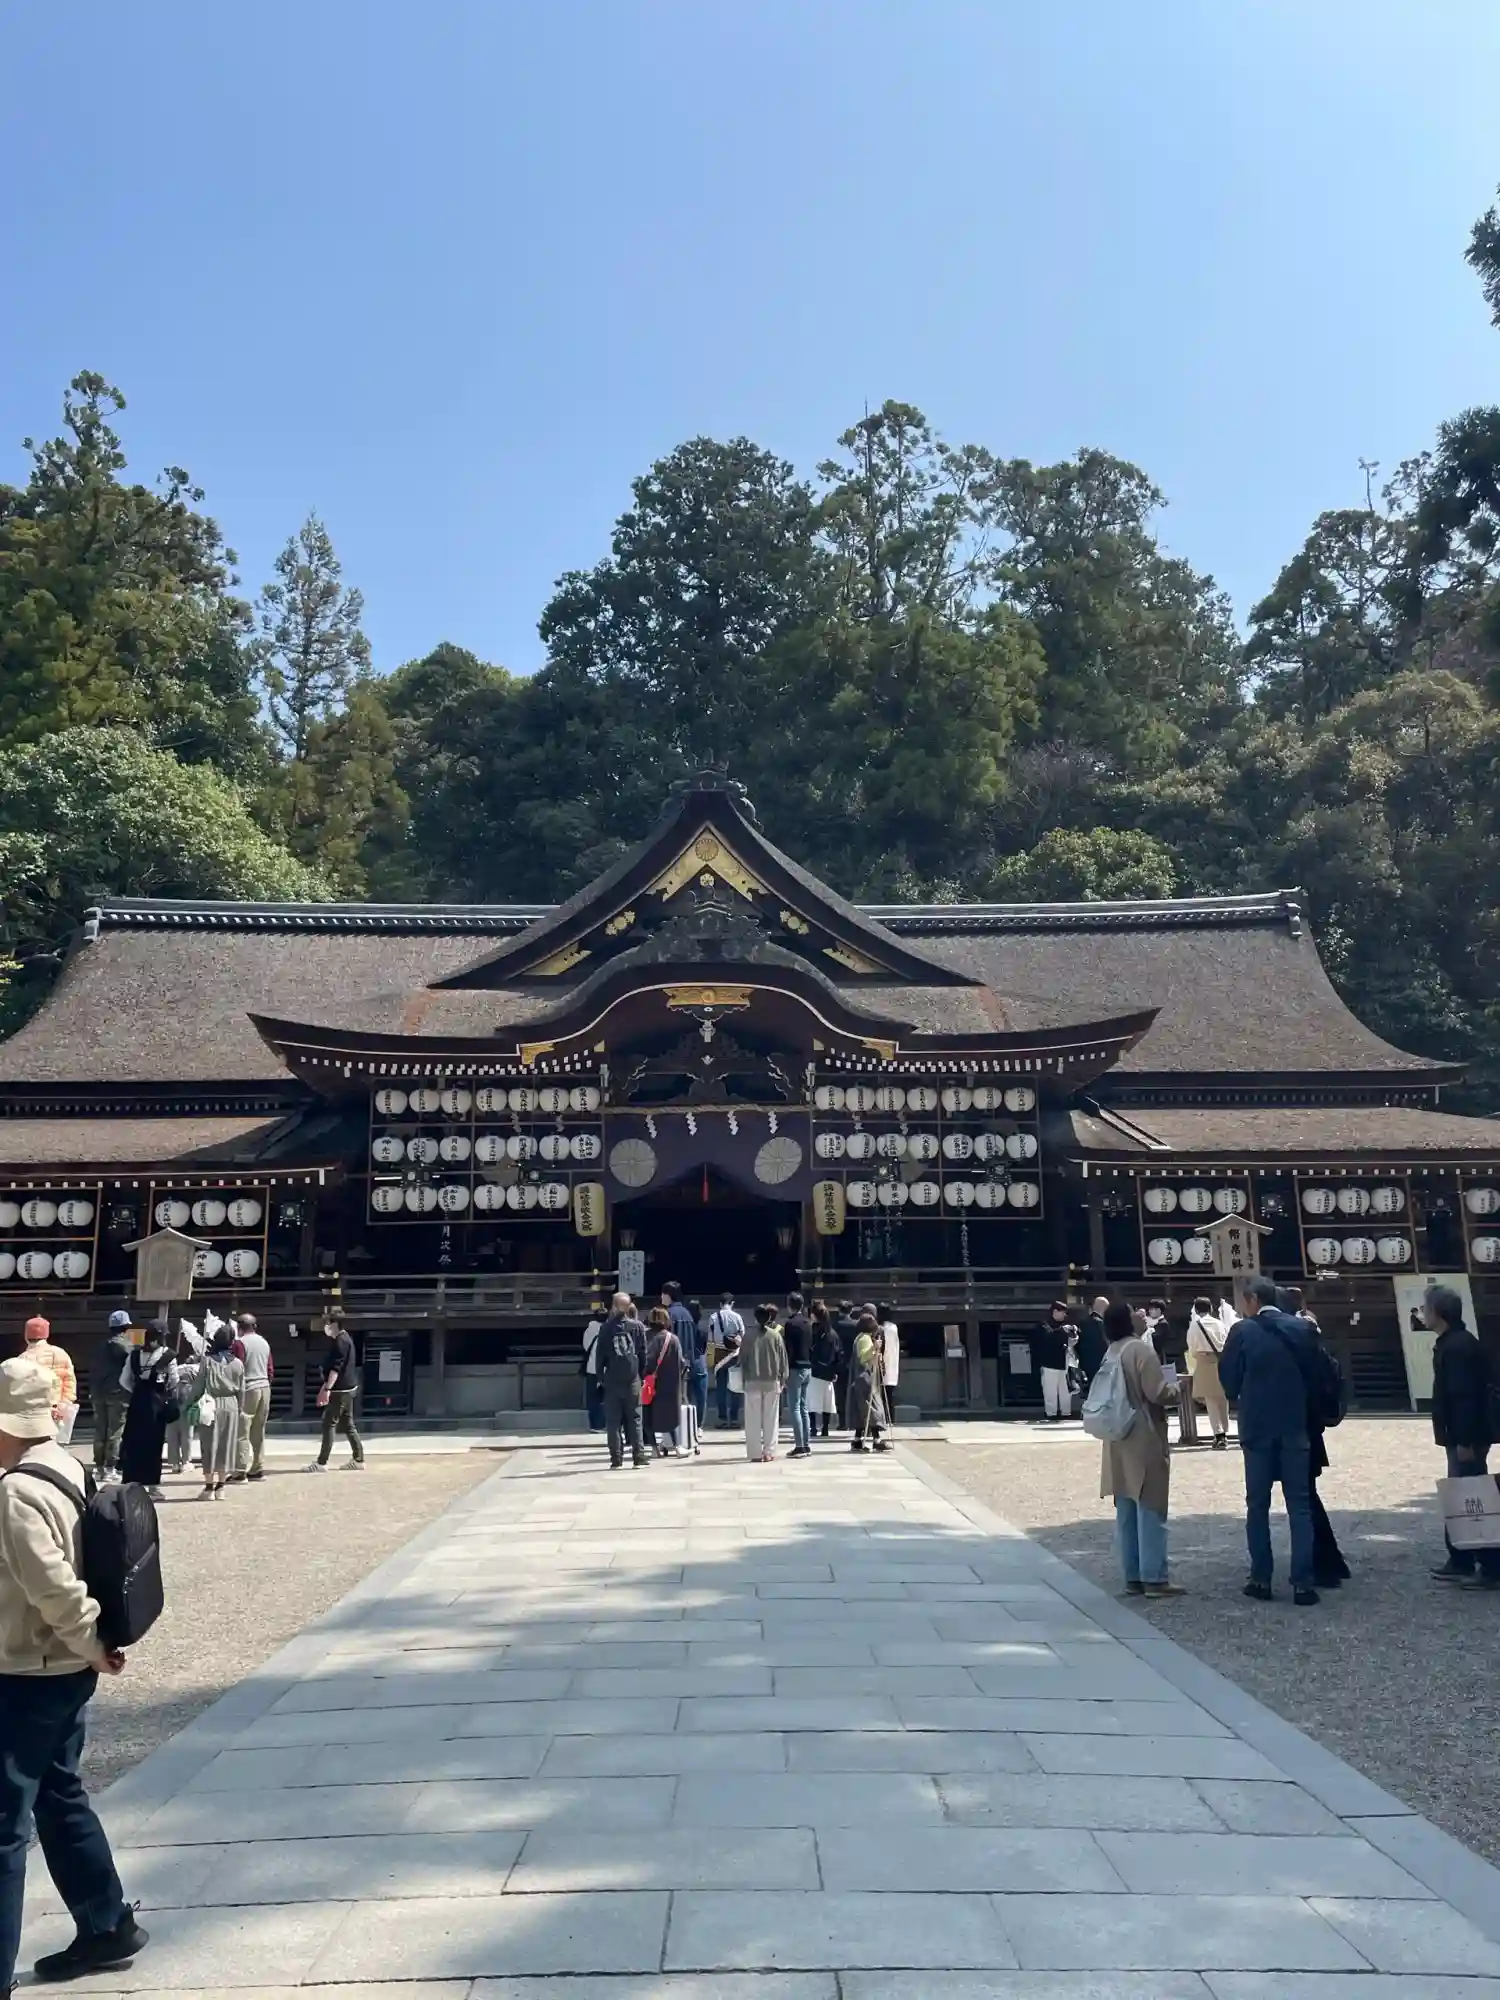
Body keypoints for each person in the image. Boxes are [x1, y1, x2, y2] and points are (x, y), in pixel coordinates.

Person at [0, 1357, 148, 1992]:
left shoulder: (15, 1492)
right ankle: (105, 1923)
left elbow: (54, 1587)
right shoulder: (66, 1465)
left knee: (5, 1825)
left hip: (28, 1668)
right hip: (66, 1668)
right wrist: (94, 1647)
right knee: (59, 1795)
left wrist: (92, 1644)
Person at [1219, 1274, 1320, 1606]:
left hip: (1258, 1425)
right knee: (1299, 1505)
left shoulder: (1242, 1332)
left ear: (1253, 1300)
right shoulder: (1302, 1329)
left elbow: (1229, 1380)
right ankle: (1303, 1582)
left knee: (1258, 1504)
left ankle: (1261, 1578)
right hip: (1295, 1424)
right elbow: (1316, 1375)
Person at [1097, 1300, 1184, 1598]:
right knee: (1150, 1505)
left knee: (1126, 1508)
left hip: (1117, 1435)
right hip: (1143, 1434)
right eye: (1134, 1311)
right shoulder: (1139, 1350)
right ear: (1128, 1320)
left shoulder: (1112, 1351)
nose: (1140, 1314)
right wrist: (1177, 1388)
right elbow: (1158, 1393)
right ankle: (1154, 1577)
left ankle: (1132, 1575)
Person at [1423, 1281, 1500, 1589]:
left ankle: (1489, 1565)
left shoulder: (1457, 1348)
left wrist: (1464, 1440)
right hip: (1464, 1433)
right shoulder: (1457, 1342)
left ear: (1438, 1313)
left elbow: (1463, 1397)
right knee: (1463, 1494)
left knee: (1473, 1498)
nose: (1423, 1314)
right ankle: (1461, 1557)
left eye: (1426, 1309)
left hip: (1466, 1436)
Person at [1281, 1286, 1350, 1590]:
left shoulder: (1297, 1339)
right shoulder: (1310, 1334)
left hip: (1301, 1425)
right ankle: (1331, 1559)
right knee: (1307, 1494)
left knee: (1304, 1497)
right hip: (1312, 1425)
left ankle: (1325, 1564)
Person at [180, 1325, 244, 1501]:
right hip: (231, 1404)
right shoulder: (238, 1363)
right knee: (226, 1445)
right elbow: (242, 1390)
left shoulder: (207, 1362)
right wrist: (240, 1408)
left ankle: (209, 1487)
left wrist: (187, 1405)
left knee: (209, 1445)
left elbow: (198, 1387)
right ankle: (221, 1487)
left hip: (211, 1403)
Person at [117, 1322, 178, 1501]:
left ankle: (131, 1483)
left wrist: (137, 1390)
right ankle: (152, 1487)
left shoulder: (134, 1354)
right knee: (154, 1444)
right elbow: (174, 1380)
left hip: (137, 1402)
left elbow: (124, 1380)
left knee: (133, 1442)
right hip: (157, 1404)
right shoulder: (168, 1355)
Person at [306, 1307, 364, 1472]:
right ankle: (358, 1458)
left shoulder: (340, 1342)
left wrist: (327, 1389)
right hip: (348, 1388)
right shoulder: (346, 1339)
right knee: (348, 1424)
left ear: (335, 1324)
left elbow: (335, 1369)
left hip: (340, 1389)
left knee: (329, 1424)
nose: (326, 1326)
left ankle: (321, 1462)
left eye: (328, 1323)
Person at [598, 1293, 649, 1469]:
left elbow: (600, 1356)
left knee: (613, 1422)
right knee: (635, 1418)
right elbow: (643, 1354)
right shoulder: (638, 1327)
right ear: (629, 1307)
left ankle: (616, 1459)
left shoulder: (605, 1328)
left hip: (612, 1379)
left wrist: (600, 1377)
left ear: (613, 1306)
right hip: (632, 1378)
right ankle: (638, 1457)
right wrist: (641, 1375)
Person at [741, 1305, 788, 1463]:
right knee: (771, 1419)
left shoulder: (748, 1336)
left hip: (752, 1381)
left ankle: (754, 1452)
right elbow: (783, 1360)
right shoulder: (775, 1336)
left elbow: (742, 1360)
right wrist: (783, 1378)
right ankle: (769, 1451)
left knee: (752, 1419)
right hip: (772, 1381)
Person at [90, 1313, 133, 1483]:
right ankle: (110, 1467)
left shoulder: (99, 1346)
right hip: (118, 1393)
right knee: (115, 1431)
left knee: (100, 1430)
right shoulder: (126, 1346)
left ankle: (99, 1466)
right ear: (126, 1327)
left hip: (98, 1392)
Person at [17, 1319, 76, 1443]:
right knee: (57, 1444)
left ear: (26, 1336)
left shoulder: (23, 1358)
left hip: (36, 1410)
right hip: (59, 1407)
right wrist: (65, 1402)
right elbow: (69, 1380)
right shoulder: (60, 1353)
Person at [231, 1313, 273, 1484]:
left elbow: (237, 1368)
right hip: (264, 1387)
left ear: (239, 1328)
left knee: (242, 1431)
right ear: (254, 1326)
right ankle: (258, 1467)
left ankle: (240, 1470)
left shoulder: (239, 1343)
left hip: (248, 1388)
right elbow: (270, 1369)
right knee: (258, 1430)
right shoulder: (264, 1342)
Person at [1185, 1295, 1230, 1449]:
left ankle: (1219, 1434)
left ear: (1196, 1309)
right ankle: (1225, 1429)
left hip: (1204, 1361)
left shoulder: (1195, 1325)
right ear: (1210, 1308)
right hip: (1221, 1361)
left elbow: (1191, 1346)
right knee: (1222, 1398)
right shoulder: (1219, 1323)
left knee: (1211, 1400)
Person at [662, 1283, 707, 1436]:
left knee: (673, 1401)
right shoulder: (687, 1315)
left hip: (672, 1364)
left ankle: (674, 1436)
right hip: (688, 1362)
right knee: (687, 1399)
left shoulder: (669, 1315)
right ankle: (691, 1429)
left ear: (668, 1295)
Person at [164, 1317, 204, 1476]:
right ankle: (186, 1461)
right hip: (187, 1401)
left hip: (172, 1399)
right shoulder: (197, 1369)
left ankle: (174, 1462)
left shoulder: (178, 1367)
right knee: (187, 1433)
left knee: (172, 1433)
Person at [642, 1307, 683, 1458]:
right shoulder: (673, 1339)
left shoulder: (645, 1337)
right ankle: (677, 1447)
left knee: (648, 1415)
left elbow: (644, 1360)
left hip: (649, 1383)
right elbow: (681, 1362)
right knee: (671, 1415)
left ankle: (654, 1449)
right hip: (670, 1384)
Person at [847, 1314, 888, 1452]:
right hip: (865, 1378)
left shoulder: (859, 1337)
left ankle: (857, 1440)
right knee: (873, 1409)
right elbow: (863, 1357)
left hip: (859, 1378)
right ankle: (876, 1440)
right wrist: (874, 1348)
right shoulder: (865, 1339)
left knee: (862, 1411)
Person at [782, 1292, 813, 1457]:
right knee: (803, 1407)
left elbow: (788, 1349)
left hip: (795, 1367)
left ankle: (799, 1445)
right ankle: (806, 1444)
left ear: (789, 1305)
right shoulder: (808, 1323)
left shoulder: (790, 1324)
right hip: (807, 1366)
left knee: (794, 1407)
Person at [1033, 1301, 1074, 1423]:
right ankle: (1051, 1413)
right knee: (1050, 1391)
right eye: (1062, 1312)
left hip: (1063, 1362)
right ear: (1055, 1312)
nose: (1064, 1315)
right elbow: (1046, 1340)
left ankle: (1066, 1413)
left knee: (1065, 1390)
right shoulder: (1043, 1326)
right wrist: (1062, 1331)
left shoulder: (1064, 1326)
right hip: (1048, 1364)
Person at [709, 1293, 745, 1428]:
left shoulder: (713, 1317)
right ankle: (734, 1419)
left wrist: (710, 1359)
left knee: (721, 1388)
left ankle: (722, 1418)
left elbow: (710, 1340)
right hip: (734, 1355)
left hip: (719, 1355)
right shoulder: (737, 1317)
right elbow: (743, 1335)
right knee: (735, 1387)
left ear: (720, 1303)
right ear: (732, 1303)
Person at [808, 1301, 843, 1439]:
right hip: (828, 1372)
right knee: (827, 1401)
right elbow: (838, 1353)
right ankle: (825, 1428)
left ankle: (813, 1428)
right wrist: (835, 1370)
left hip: (814, 1371)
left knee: (812, 1401)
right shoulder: (832, 1333)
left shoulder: (812, 1331)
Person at [581, 1310, 606, 1431]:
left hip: (592, 1367)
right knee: (607, 1398)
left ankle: (595, 1425)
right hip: (607, 1369)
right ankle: (606, 1423)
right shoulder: (609, 1330)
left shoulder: (589, 1330)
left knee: (593, 1398)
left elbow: (586, 1347)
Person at [1077, 1296, 1109, 1390]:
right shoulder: (1101, 1324)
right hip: (1100, 1365)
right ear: (1104, 1308)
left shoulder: (1083, 1322)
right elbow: (1104, 1345)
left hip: (1085, 1364)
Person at [878, 1303, 901, 1421]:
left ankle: (883, 1418)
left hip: (882, 1363)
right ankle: (890, 1417)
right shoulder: (894, 1327)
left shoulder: (880, 1328)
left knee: (881, 1395)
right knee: (890, 1394)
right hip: (892, 1363)